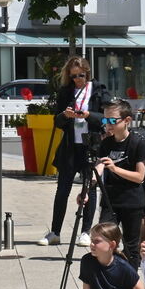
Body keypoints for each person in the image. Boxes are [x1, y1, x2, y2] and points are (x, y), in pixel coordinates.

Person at [38, 56, 109, 247]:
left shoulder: (98, 90)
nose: (77, 79)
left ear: (88, 72)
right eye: (74, 76)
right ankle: (55, 231)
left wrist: (89, 116)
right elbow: (57, 121)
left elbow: (107, 119)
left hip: (90, 145)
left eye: (81, 75)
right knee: (62, 190)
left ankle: (86, 231)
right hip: (70, 146)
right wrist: (65, 115)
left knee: (89, 188)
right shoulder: (66, 91)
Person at [92, 99, 145, 267]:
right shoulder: (106, 143)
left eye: (112, 120)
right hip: (110, 200)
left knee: (131, 246)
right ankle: (108, 277)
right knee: (103, 239)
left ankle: (133, 282)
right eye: (105, 120)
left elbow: (139, 176)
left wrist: (115, 169)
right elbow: (99, 166)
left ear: (127, 121)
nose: (108, 125)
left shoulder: (137, 143)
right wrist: (89, 187)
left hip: (132, 201)